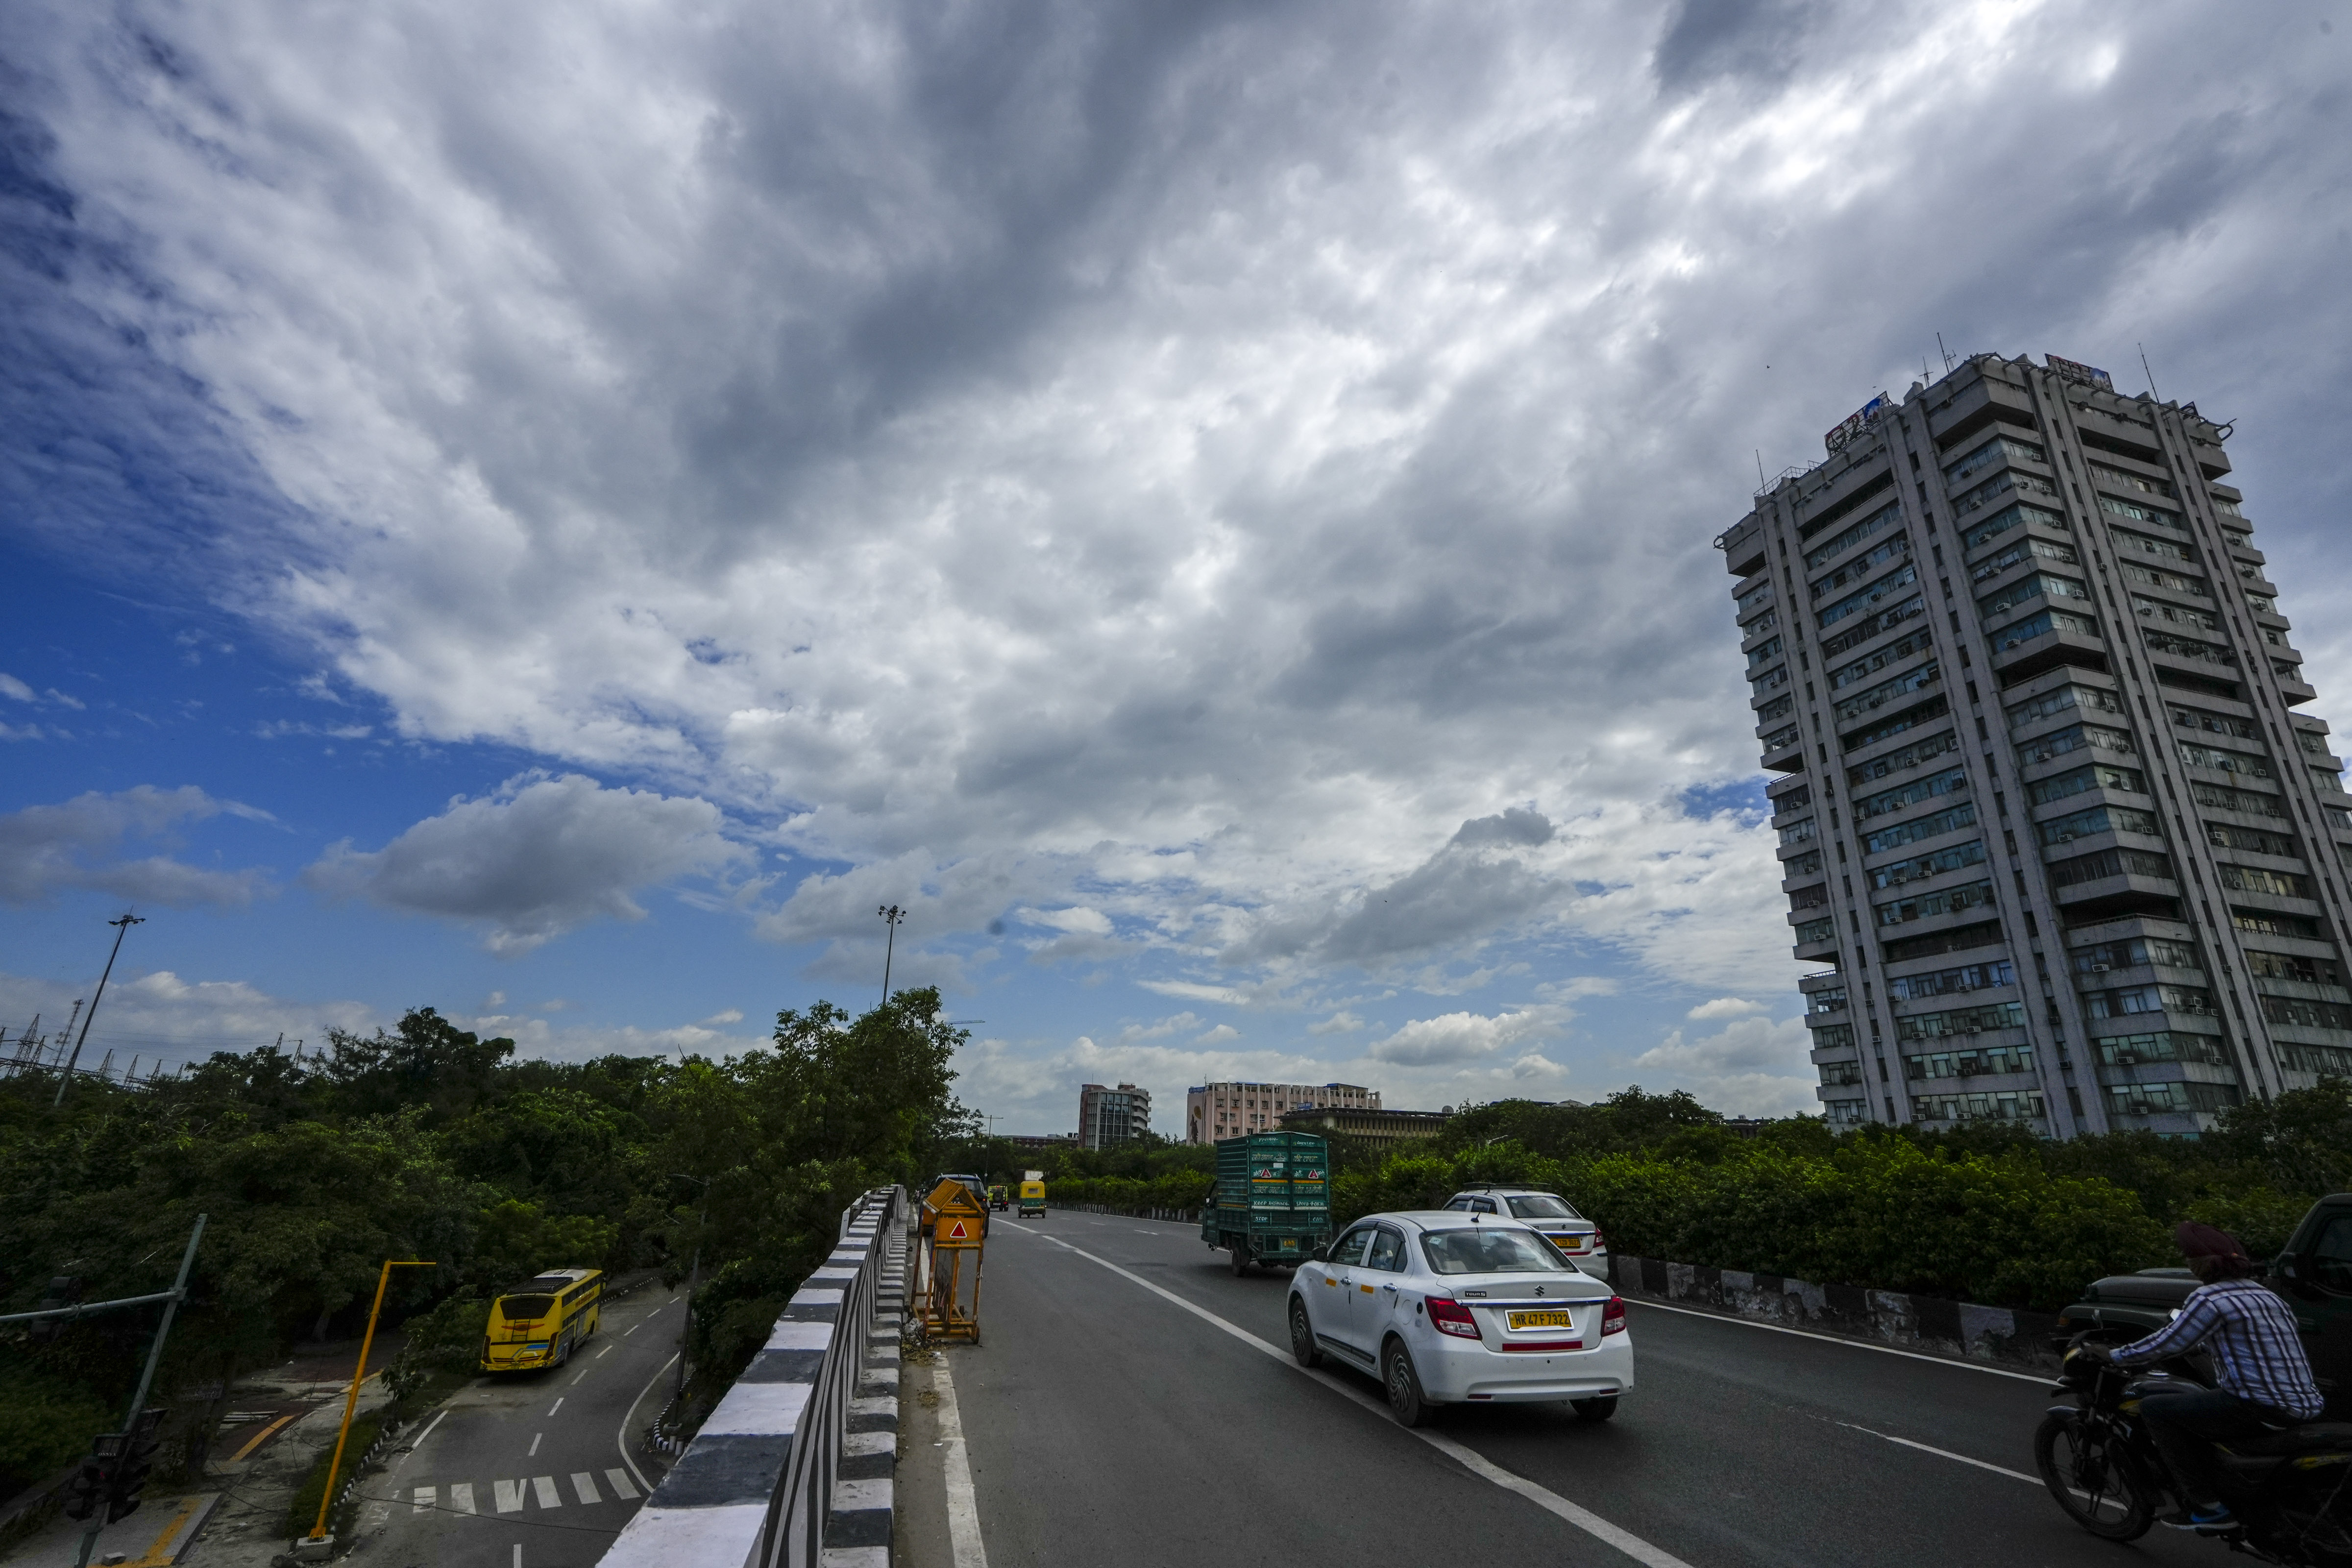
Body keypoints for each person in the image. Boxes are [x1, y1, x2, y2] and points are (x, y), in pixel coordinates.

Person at [2102, 1220, 2325, 1530]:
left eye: (2189, 1258)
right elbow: (2255, 1343)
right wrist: (2209, 1346)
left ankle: (2208, 1505)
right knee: (2201, 1401)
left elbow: (2169, 1342)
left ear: (2202, 1264)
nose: (2187, 1263)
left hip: (2259, 1407)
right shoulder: (2268, 1296)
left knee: (2156, 1410)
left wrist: (2114, 1355)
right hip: (2305, 1405)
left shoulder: (2209, 1299)